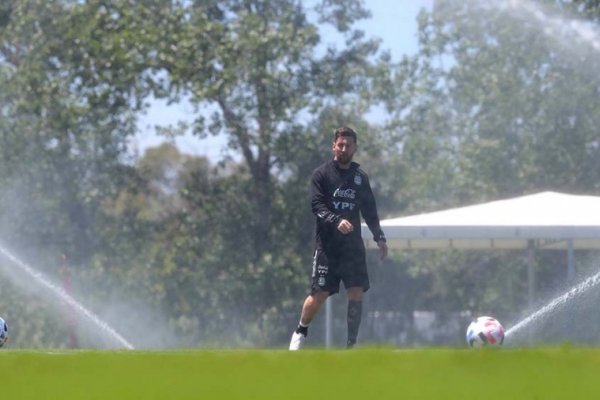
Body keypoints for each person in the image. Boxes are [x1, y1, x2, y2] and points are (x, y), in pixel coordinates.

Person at [289, 126, 388, 350]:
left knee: (356, 291)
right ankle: (300, 331)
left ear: (354, 148)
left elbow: (369, 210)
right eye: (340, 144)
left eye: (348, 145)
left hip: (352, 248)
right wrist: (336, 220)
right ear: (333, 146)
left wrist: (379, 236)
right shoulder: (321, 175)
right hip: (327, 247)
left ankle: (351, 345)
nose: (343, 148)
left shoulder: (360, 178)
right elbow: (316, 205)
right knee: (319, 294)